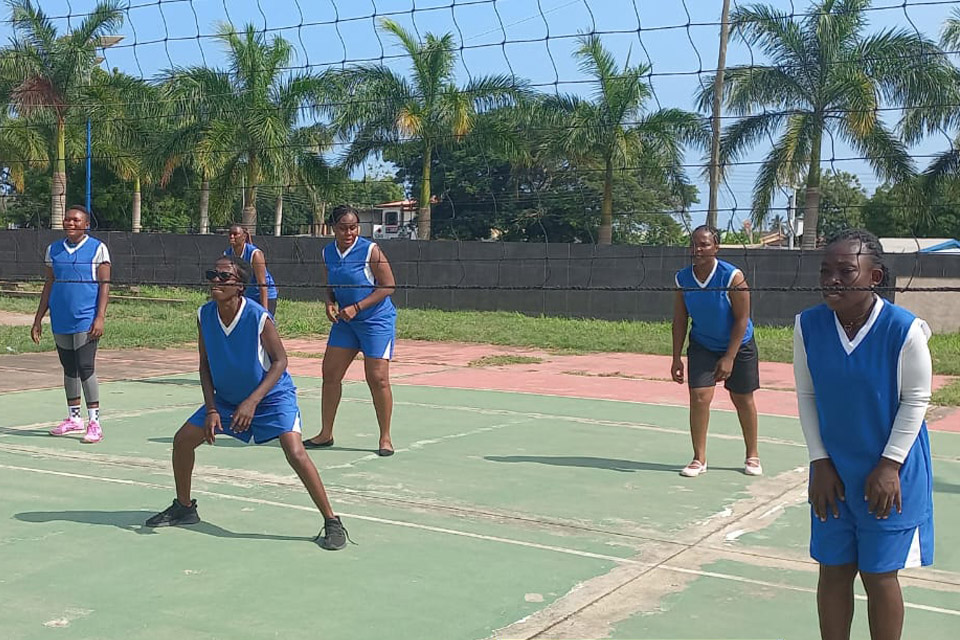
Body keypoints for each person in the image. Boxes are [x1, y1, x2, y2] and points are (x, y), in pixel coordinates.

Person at [145, 255, 348, 550]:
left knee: (295, 451)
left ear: (240, 286)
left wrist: (252, 401)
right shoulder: (204, 315)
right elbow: (204, 365)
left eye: (223, 277)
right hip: (228, 400)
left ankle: (332, 520)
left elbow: (280, 361)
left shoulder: (257, 317)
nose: (216, 281)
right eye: (212, 275)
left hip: (271, 396)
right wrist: (212, 408)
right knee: (182, 441)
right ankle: (184, 508)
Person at [794, 229, 933, 640]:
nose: (832, 279)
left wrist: (889, 465)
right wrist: (819, 461)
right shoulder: (808, 325)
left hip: (890, 472)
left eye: (845, 271)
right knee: (833, 569)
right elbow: (807, 395)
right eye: (826, 271)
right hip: (833, 472)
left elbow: (917, 399)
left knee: (878, 574)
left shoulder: (904, 329)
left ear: (874, 277)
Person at [303, 205, 397, 457]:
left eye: (353, 227)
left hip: (375, 321)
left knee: (377, 378)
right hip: (345, 323)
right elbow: (330, 284)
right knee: (330, 374)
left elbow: (388, 286)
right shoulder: (327, 252)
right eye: (343, 228)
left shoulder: (370, 250)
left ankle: (385, 437)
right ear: (333, 228)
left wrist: (358, 307)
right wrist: (329, 302)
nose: (349, 233)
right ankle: (326, 433)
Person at [671, 225, 761, 477]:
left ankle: (752, 454)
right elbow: (680, 319)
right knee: (699, 397)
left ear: (716, 247)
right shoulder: (682, 278)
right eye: (694, 244)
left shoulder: (732, 277)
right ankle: (699, 458)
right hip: (703, 344)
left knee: (742, 398)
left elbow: (742, 319)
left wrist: (729, 357)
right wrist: (676, 357)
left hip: (739, 344)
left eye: (704, 244)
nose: (698, 249)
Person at [31, 205, 111, 444]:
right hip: (61, 318)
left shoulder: (98, 248)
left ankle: (94, 422)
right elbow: (49, 284)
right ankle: (74, 418)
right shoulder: (53, 249)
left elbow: (105, 285)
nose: (71, 223)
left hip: (85, 317)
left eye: (76, 220)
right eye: (67, 219)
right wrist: (38, 319)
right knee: (69, 368)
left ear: (86, 224)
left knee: (85, 366)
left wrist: (100, 317)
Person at [224, 223, 278, 316]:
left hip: (265, 296)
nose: (232, 237)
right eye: (230, 234)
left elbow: (262, 284)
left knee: (262, 323)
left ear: (244, 236)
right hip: (247, 296)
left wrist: (265, 312)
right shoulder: (227, 254)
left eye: (235, 234)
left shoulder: (255, 254)